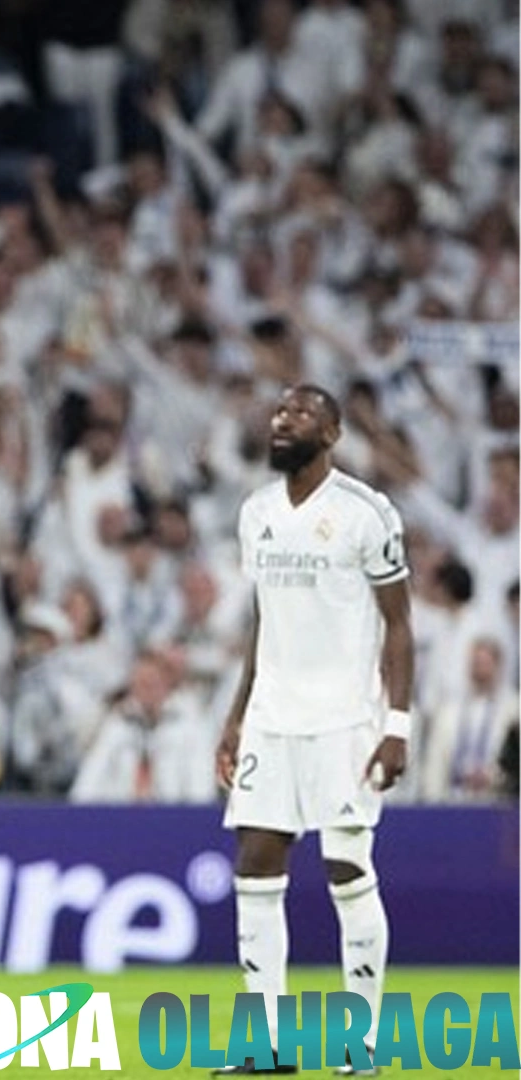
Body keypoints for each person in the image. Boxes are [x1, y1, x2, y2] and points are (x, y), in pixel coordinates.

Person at [213, 385, 414, 1077]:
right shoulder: (257, 513)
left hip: (344, 720)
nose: (282, 420)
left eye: (300, 413)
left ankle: (362, 1044)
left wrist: (397, 725)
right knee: (255, 866)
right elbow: (263, 618)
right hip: (272, 719)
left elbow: (399, 624)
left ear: (331, 433)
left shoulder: (366, 512)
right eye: (279, 411)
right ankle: (266, 1046)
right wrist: (237, 715)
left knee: (346, 870)